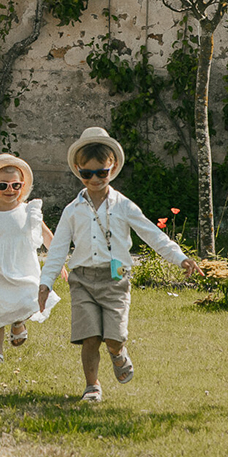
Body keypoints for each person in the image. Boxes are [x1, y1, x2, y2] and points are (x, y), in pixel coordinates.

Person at [38, 128, 199, 403]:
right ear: (78, 171)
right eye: (87, 174)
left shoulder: (123, 206)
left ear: (112, 168)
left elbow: (152, 234)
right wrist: (45, 282)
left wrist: (179, 256)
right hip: (82, 280)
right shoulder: (72, 210)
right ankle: (92, 386)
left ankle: (117, 352)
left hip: (116, 280)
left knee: (113, 337)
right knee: (89, 336)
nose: (95, 179)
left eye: (101, 172)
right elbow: (58, 249)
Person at [0, 152, 56, 362]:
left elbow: (46, 235)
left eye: (15, 185)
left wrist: (57, 257)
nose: (10, 190)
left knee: (31, 299)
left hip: (24, 268)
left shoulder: (29, 211)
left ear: (22, 186)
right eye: (3, 186)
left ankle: (18, 321)